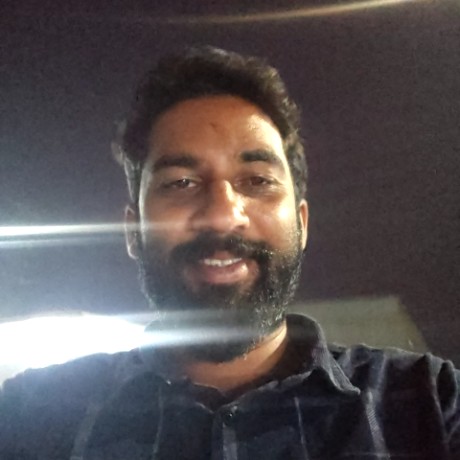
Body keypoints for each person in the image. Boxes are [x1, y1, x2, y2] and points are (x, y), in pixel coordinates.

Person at [0, 46, 459, 460]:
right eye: (181, 183)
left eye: (257, 181)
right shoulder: (31, 413)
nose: (222, 216)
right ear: (133, 232)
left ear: (301, 223)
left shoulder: (433, 402)